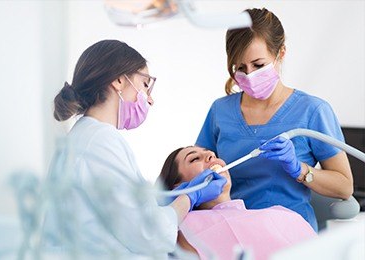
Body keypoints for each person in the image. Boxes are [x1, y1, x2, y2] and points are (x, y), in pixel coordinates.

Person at [49, 39, 227, 258]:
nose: (149, 100)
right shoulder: (100, 140)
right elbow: (147, 235)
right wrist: (191, 197)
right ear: (118, 81)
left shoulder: (86, 137)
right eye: (145, 85)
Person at [195, 7, 353, 232]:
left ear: (281, 53)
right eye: (240, 67)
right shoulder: (220, 111)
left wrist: (299, 169)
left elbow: (344, 187)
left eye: (258, 65)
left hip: (290, 235)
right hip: (233, 232)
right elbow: (195, 173)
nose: (249, 75)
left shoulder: (312, 111)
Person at [157, 146, 317, 260]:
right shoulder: (178, 230)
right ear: (177, 187)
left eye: (211, 154)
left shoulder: (282, 214)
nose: (211, 156)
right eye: (194, 158)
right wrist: (186, 198)